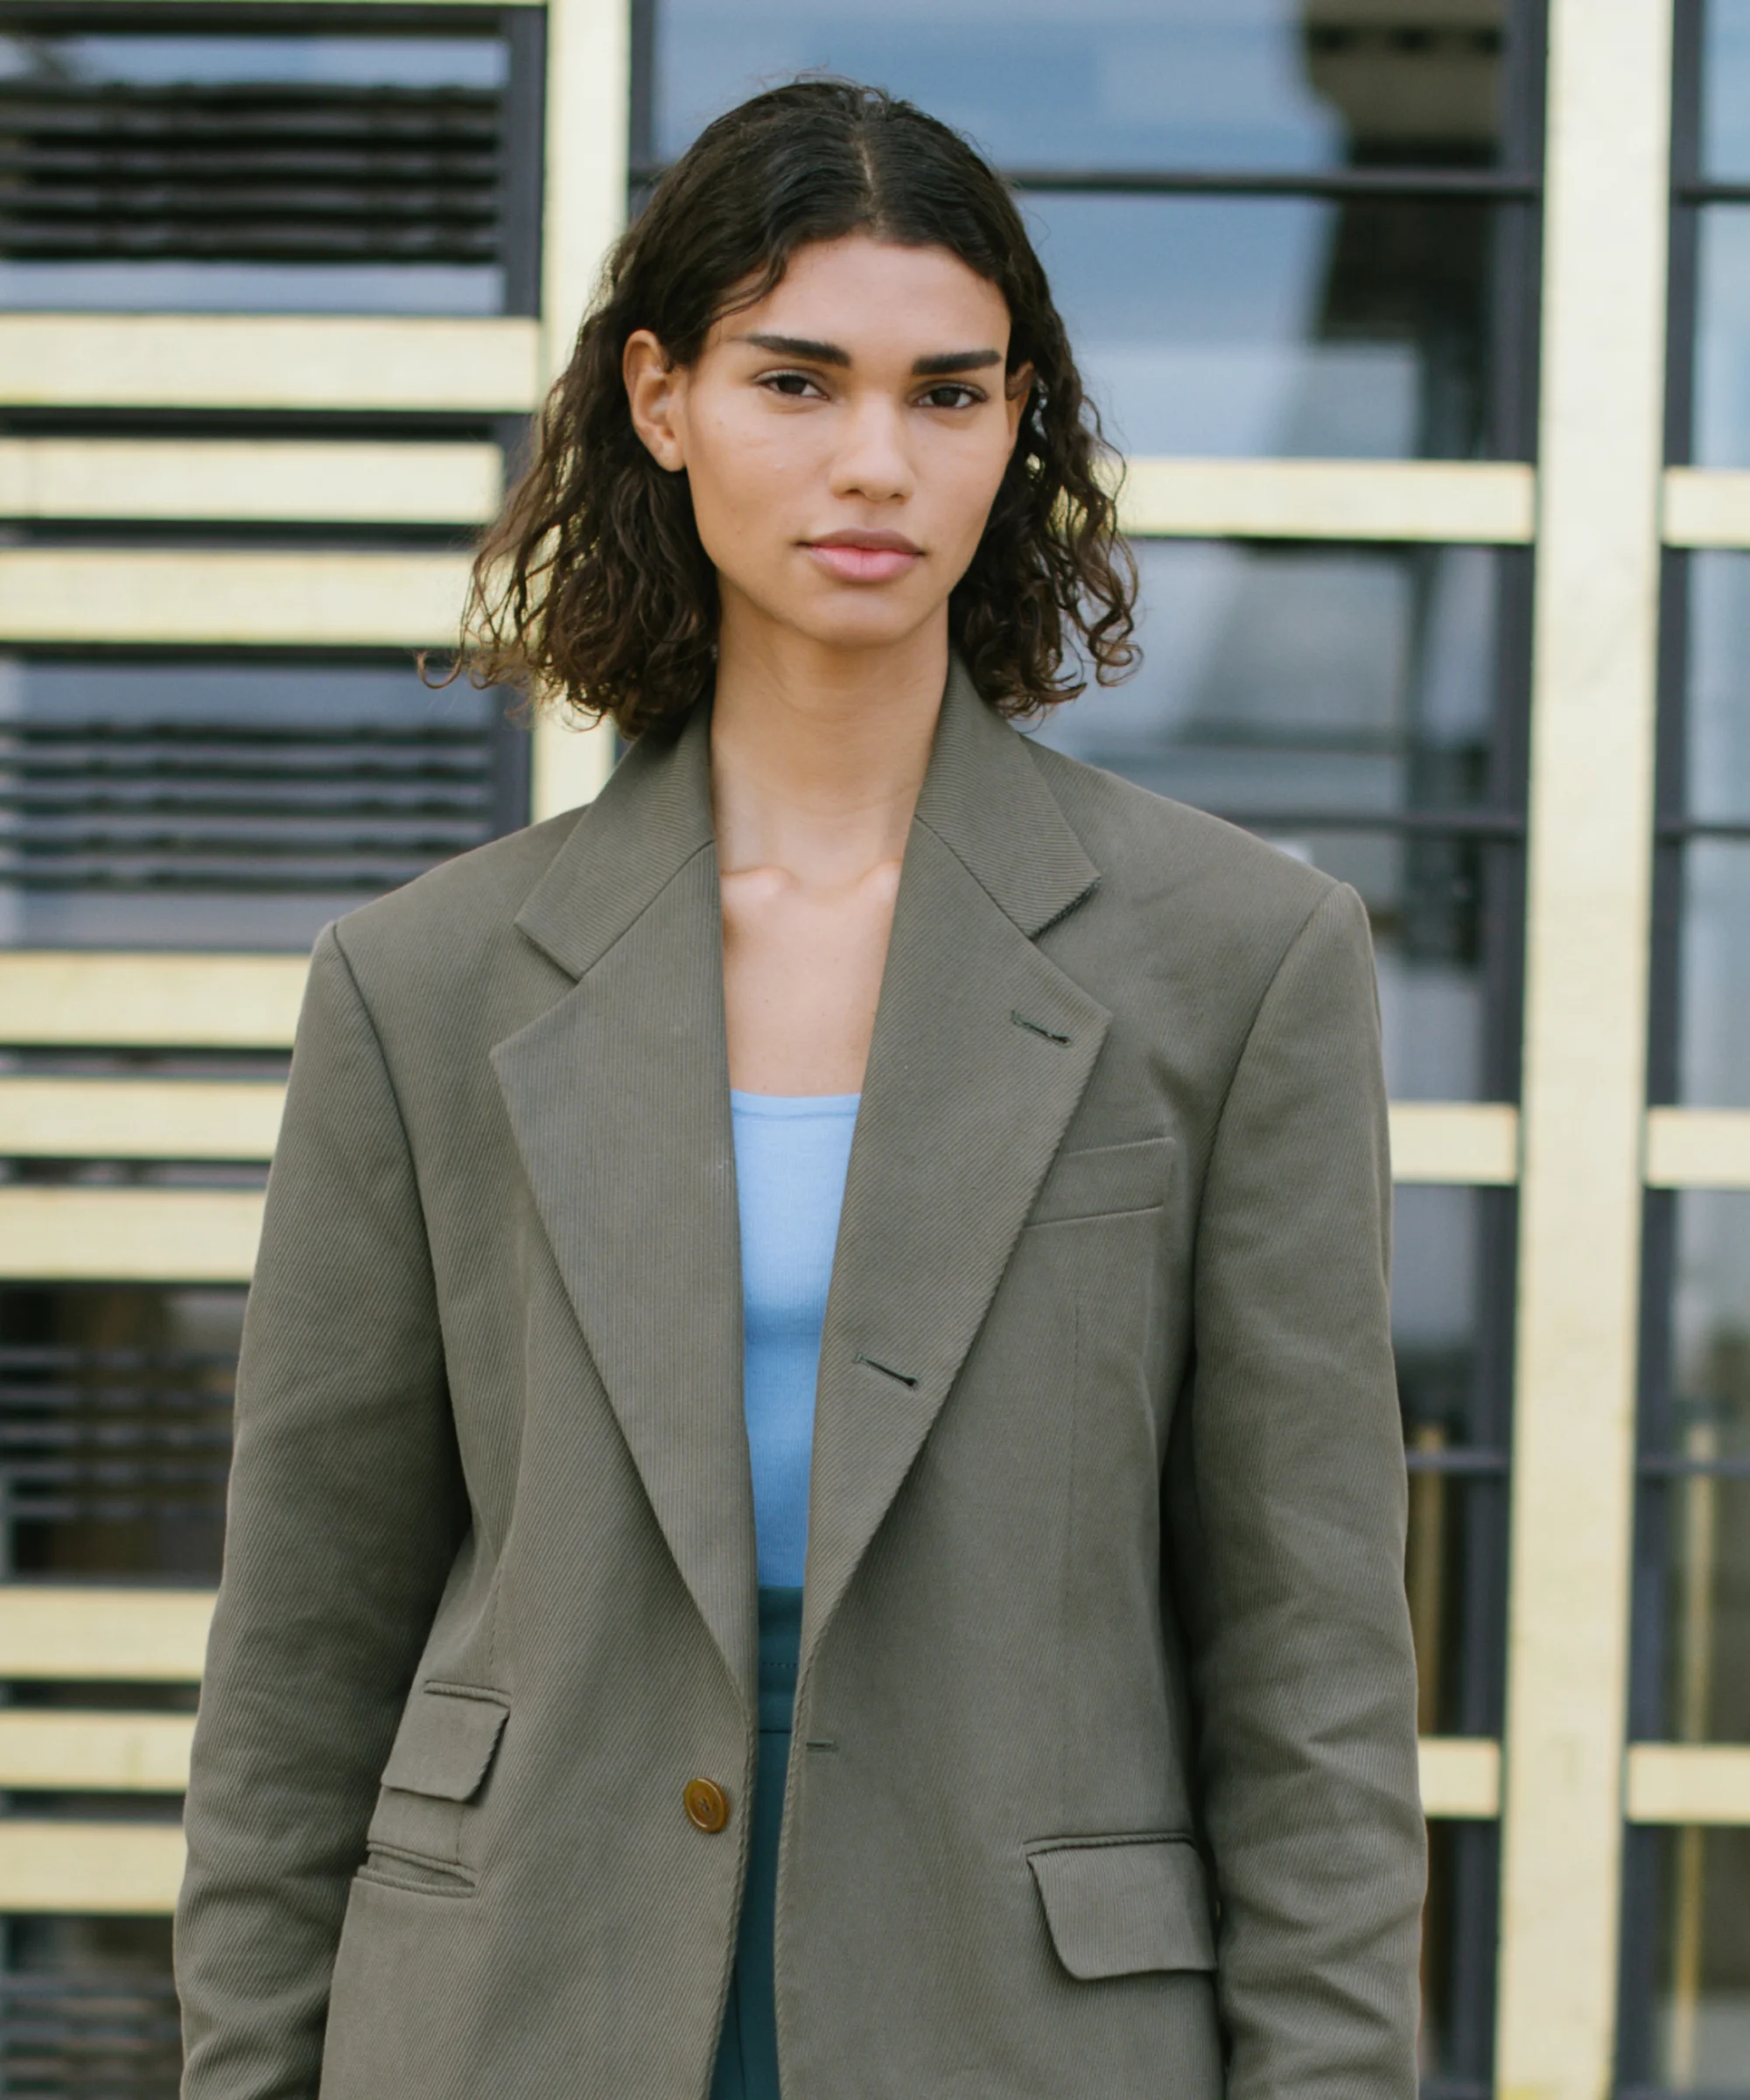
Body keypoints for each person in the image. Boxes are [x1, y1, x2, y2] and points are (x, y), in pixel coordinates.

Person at [175, 78, 1424, 2100]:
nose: (876, 461)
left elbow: (1310, 1672)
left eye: (948, 394)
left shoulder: (1239, 958)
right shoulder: (418, 987)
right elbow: (301, 1656)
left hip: (1024, 2024)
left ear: (1017, 425)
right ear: (660, 400)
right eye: (798, 381)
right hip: (511, 2009)